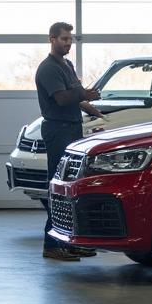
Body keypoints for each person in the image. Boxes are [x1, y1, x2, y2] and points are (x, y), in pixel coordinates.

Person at [35, 22, 104, 261]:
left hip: (72, 129)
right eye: (64, 39)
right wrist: (85, 95)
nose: (68, 43)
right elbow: (64, 98)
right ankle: (52, 244)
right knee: (59, 186)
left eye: (70, 39)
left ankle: (70, 242)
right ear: (51, 39)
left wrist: (95, 111)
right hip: (57, 130)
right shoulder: (48, 69)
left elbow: (76, 96)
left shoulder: (68, 65)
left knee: (74, 186)